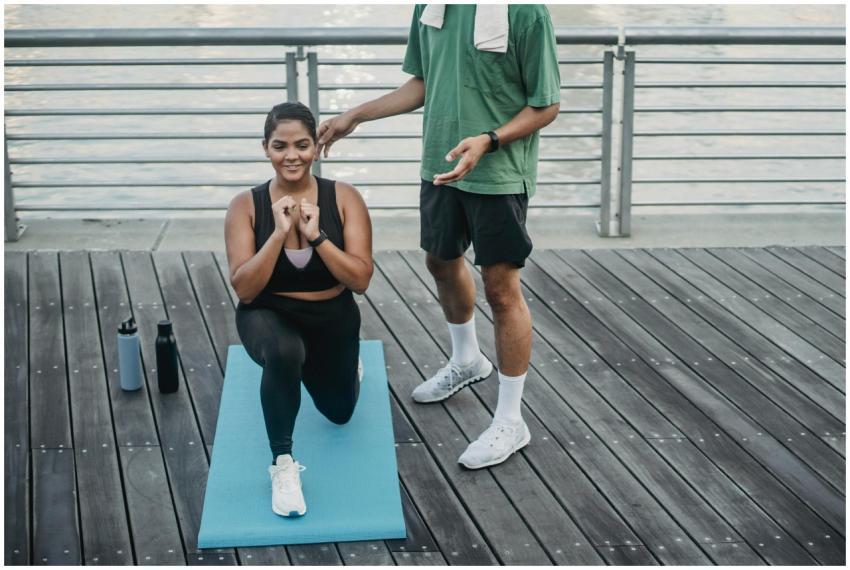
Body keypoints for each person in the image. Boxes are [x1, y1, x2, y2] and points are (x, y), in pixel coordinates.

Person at [317, 5, 560, 469]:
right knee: (440, 262)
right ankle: (467, 360)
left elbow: (546, 105)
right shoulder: (429, 7)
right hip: (440, 165)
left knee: (501, 290)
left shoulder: (526, 12)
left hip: (499, 175)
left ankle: (511, 420)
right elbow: (423, 83)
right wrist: (356, 115)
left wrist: (488, 139)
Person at [224, 101, 373, 516]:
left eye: (302, 145)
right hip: (268, 313)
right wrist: (278, 235)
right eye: (280, 146)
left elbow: (360, 280)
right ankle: (283, 465)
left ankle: (343, 366)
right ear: (266, 148)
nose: (292, 156)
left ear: (316, 147)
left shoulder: (344, 198)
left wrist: (318, 236)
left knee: (340, 413)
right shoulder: (245, 206)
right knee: (285, 351)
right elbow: (245, 289)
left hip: (332, 316)